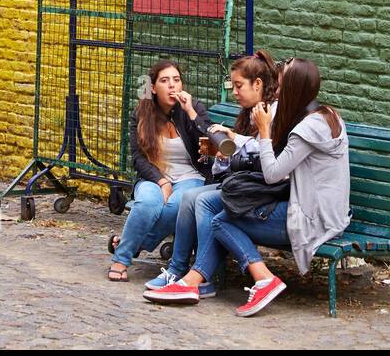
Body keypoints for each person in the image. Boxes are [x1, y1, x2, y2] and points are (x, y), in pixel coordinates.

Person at [150, 57, 349, 316]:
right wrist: (238, 141)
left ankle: (261, 279)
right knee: (208, 204)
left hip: (312, 217)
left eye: (279, 83)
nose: (275, 89)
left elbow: (273, 174)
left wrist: (264, 132)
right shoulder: (321, 115)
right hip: (305, 205)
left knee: (221, 220)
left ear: (292, 88)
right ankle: (192, 281)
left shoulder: (308, 127)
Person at [143, 49, 280, 300]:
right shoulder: (249, 112)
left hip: (260, 191)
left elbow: (265, 158)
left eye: (239, 86)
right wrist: (222, 157)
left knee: (202, 200)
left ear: (258, 84)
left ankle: (202, 277)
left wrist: (233, 140)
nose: (234, 92)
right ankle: (177, 269)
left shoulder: (270, 113)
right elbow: (236, 161)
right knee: (189, 198)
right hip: (244, 185)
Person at [107, 60, 211, 281]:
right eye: (165, 81)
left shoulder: (194, 108)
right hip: (153, 176)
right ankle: (120, 261)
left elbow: (208, 143)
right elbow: (137, 158)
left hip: (191, 177)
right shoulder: (142, 114)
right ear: (153, 88)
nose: (172, 86)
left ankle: (129, 246)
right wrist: (162, 181)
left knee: (176, 205)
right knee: (147, 203)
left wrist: (190, 112)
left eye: (176, 80)